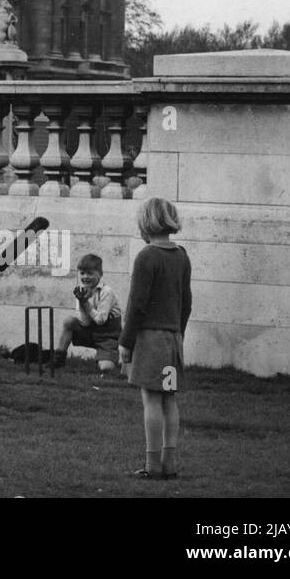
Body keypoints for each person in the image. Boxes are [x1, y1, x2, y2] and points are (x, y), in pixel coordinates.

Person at [119, 198, 192, 480]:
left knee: (150, 399)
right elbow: (186, 303)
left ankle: (151, 466)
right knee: (169, 399)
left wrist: (125, 342)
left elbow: (137, 305)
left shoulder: (147, 256)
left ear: (145, 222)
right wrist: (178, 333)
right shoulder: (181, 255)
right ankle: (169, 463)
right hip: (173, 341)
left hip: (150, 340)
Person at [53, 253, 122, 374]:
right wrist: (82, 302)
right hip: (91, 332)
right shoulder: (82, 290)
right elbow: (84, 322)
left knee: (106, 368)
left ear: (100, 274)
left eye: (90, 273)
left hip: (107, 337)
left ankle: (104, 357)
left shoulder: (107, 292)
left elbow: (101, 320)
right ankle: (58, 361)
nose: (85, 277)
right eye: (82, 273)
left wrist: (86, 304)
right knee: (69, 321)